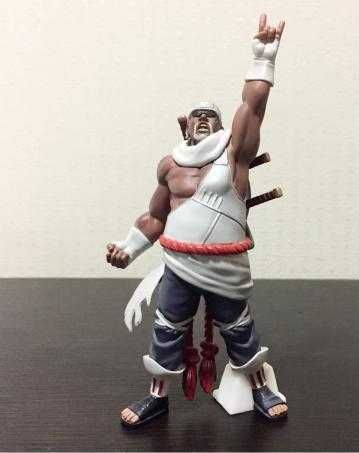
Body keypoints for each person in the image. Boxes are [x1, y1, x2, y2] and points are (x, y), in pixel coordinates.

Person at [106, 13, 287, 427]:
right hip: (179, 264)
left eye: (211, 115)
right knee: (167, 327)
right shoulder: (170, 166)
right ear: (187, 125)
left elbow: (252, 107)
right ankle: (157, 397)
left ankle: (260, 387)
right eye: (197, 115)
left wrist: (262, 60)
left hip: (225, 263)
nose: (203, 119)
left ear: (222, 126)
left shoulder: (235, 156)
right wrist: (127, 249)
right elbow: (155, 217)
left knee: (238, 327)